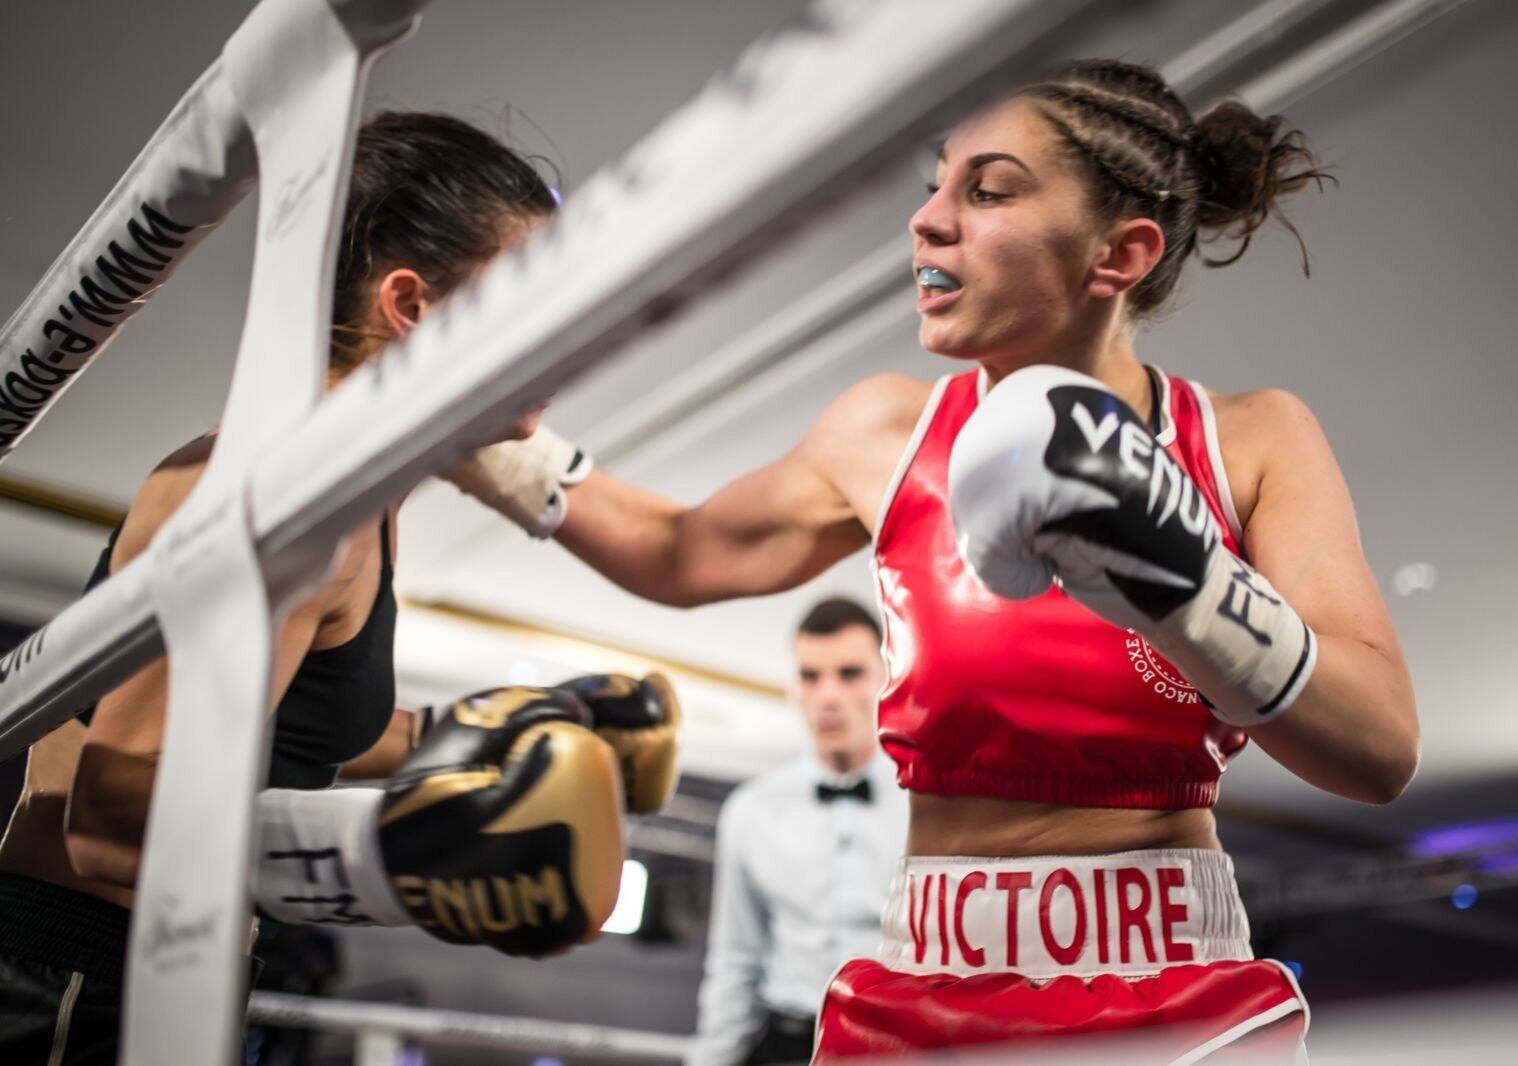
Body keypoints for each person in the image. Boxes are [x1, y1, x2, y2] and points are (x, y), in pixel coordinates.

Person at [451, 58, 1418, 1062]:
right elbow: (677, 551)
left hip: (1173, 999)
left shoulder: (1250, 439)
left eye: (987, 190)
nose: (927, 219)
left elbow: (1379, 746)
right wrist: (466, 436)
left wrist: (1178, 574)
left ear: (1120, 252)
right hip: (921, 997)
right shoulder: (883, 431)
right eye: (935, 182)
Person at [0, 111, 679, 1065]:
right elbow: (109, 821)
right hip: (64, 983)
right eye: (536, 294)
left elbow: (290, 725)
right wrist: (401, 860)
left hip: (154, 971)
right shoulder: (276, 500)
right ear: (411, 305)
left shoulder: (355, 494)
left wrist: (499, 725)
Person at [692, 598, 907, 1066]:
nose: (828, 695)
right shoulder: (750, 810)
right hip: (783, 1043)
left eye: (849, 674)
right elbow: (735, 961)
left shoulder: (931, 805)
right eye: (811, 676)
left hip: (898, 1045)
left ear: (886, 676)